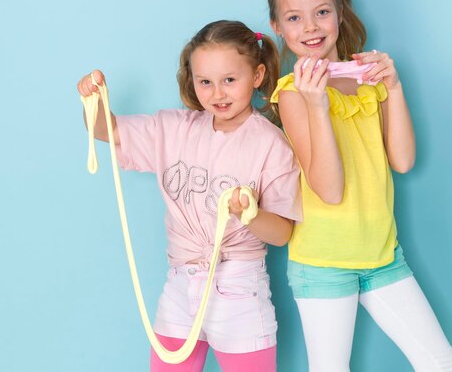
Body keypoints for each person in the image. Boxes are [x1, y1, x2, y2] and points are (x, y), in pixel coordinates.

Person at [268, 0, 452, 371]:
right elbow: (329, 190)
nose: (311, 27)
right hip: (323, 264)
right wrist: (318, 107)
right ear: (278, 26)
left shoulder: (368, 83)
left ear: (340, 13)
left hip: (383, 256)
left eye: (321, 12)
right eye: (294, 18)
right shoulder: (293, 96)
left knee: (442, 364)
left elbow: (404, 160)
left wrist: (393, 88)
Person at [77, 20, 302, 372]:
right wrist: (92, 100)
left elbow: (284, 233)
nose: (218, 93)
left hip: (239, 289)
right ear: (192, 80)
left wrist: (251, 215)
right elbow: (108, 130)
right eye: (205, 82)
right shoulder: (175, 129)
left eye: (230, 79)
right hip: (181, 286)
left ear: (257, 76)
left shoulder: (271, 145)